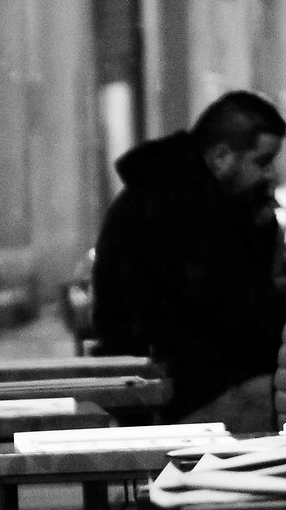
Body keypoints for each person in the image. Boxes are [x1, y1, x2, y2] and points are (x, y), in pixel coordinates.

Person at [93, 90, 286, 434]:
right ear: (221, 157)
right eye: (263, 161)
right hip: (170, 398)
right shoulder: (181, 212)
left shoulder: (203, 200)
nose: (272, 176)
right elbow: (249, 326)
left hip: (198, 382)